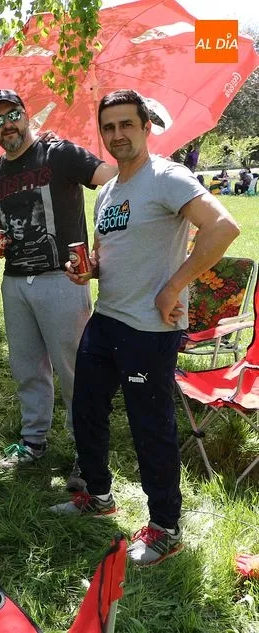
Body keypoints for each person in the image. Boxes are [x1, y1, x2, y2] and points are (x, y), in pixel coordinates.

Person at [50, 89, 240, 566]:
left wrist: (174, 286)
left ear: (145, 127)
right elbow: (110, 254)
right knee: (87, 408)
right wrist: (89, 270)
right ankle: (98, 494)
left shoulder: (167, 177)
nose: (117, 135)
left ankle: (165, 527)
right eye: (108, 127)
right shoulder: (110, 190)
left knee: (149, 426)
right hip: (108, 317)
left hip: (150, 329)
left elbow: (223, 228)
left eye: (126, 125)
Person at [0, 89, 118, 478]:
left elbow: (111, 182)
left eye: (13, 115)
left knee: (74, 369)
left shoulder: (58, 153)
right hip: (16, 281)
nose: (6, 125)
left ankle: (85, 452)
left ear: (26, 115)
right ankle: (33, 440)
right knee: (27, 367)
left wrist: (104, 240)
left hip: (62, 277)